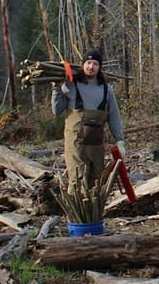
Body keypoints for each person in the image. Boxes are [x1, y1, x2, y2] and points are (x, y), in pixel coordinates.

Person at [52, 49, 126, 195]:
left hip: (96, 144)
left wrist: (120, 140)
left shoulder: (106, 90)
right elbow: (56, 110)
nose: (91, 66)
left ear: (99, 67)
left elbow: (114, 116)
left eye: (95, 64)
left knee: (96, 180)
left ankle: (95, 215)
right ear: (83, 64)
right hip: (76, 144)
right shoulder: (70, 85)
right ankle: (77, 217)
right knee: (78, 180)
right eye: (88, 62)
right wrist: (56, 88)